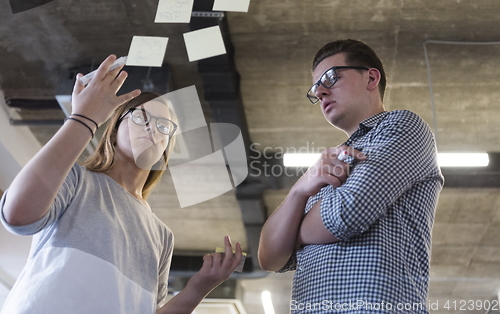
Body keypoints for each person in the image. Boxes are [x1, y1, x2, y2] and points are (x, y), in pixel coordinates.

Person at [0, 55, 243, 314]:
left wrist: (198, 287)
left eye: (164, 126)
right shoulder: (78, 180)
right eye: (141, 117)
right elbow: (17, 216)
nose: (153, 129)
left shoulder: (162, 235)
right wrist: (84, 118)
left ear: (166, 150)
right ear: (114, 131)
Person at [258, 40, 444, 313]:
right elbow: (270, 258)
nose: (320, 92)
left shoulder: (402, 126)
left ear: (370, 77)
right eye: (315, 88)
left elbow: (347, 212)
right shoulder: (326, 169)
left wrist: (293, 232)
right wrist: (300, 189)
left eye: (331, 78)